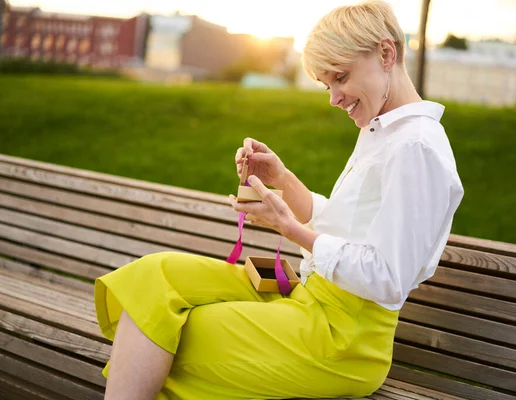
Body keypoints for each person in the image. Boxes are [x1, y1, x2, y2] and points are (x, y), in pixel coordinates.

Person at [94, 1, 464, 399]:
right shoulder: (382, 132)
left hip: (343, 342)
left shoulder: (417, 148)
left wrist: (288, 228)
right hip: (310, 299)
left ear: (387, 54)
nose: (333, 98)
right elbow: (343, 223)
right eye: (327, 85)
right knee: (154, 276)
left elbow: (388, 278)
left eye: (340, 77)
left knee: (183, 331)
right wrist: (282, 180)